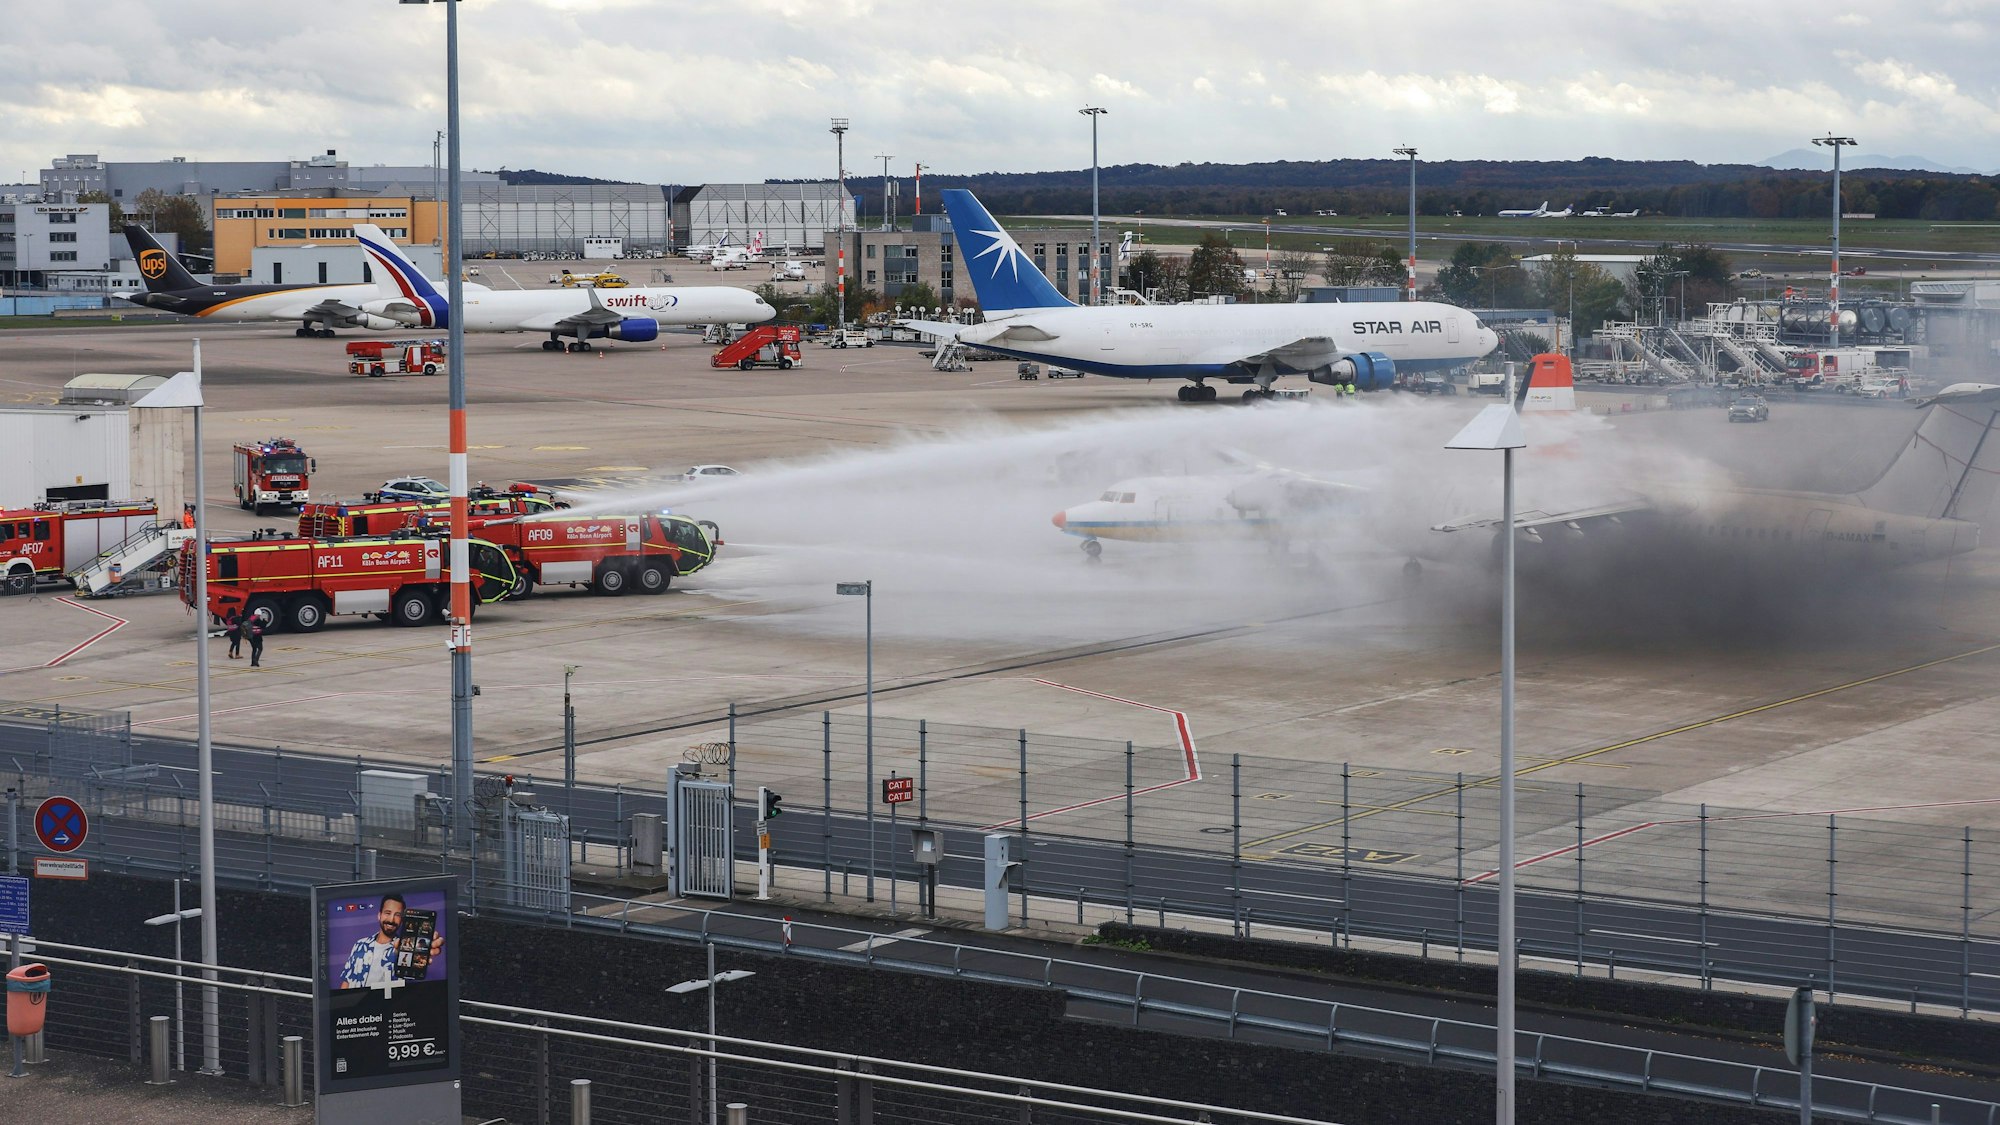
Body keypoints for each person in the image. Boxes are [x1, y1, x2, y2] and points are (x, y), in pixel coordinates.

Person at [336, 892, 443, 990]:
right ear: (379, 915)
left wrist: (421, 949)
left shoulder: (403, 948)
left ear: (402, 920)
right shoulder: (360, 945)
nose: (391, 920)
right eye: (387, 913)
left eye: (397, 915)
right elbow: (346, 981)